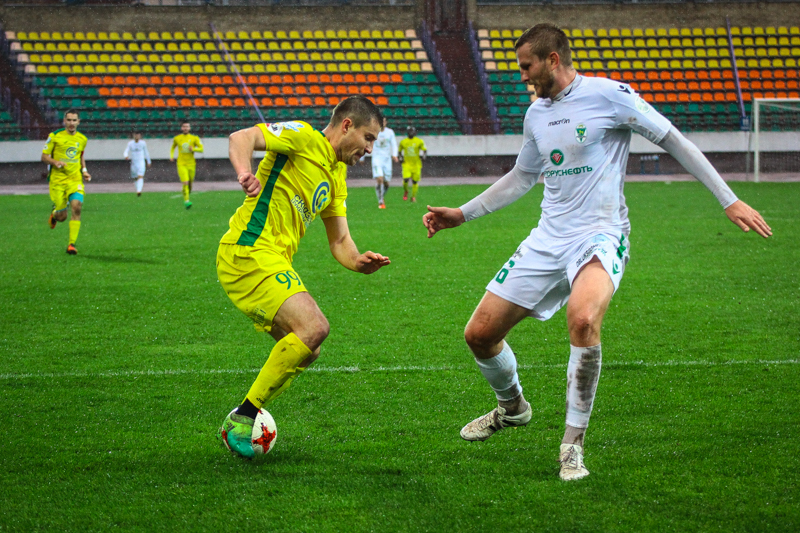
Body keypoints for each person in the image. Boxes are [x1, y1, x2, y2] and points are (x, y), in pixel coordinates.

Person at [422, 23, 771, 482]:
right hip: (548, 238)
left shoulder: (610, 95)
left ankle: (572, 446)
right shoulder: (536, 114)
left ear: (552, 59)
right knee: (479, 335)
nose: (522, 76)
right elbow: (523, 176)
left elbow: (672, 139)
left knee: (583, 319)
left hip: (601, 233)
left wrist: (729, 199)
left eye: (527, 66)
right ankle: (512, 408)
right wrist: (462, 214)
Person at [216, 96, 391, 459]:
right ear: (347, 126)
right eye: (369, 138)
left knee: (310, 349)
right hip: (249, 249)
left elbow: (340, 240)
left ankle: (245, 414)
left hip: (270, 259)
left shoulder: (336, 176)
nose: (370, 149)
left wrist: (358, 261)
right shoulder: (303, 137)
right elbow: (241, 137)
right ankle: (244, 417)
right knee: (314, 327)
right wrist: (244, 173)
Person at [43, 109, 91, 255]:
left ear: (78, 122)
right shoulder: (54, 136)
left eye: (74, 120)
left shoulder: (82, 139)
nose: (71, 123)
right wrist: (55, 162)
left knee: (77, 207)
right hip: (58, 181)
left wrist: (84, 171)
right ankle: (55, 213)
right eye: (69, 120)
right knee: (62, 217)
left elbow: (80, 156)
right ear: (64, 121)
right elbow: (44, 156)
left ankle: (71, 244)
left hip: (75, 179)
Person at [170, 121, 204, 209]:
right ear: (181, 128)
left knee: (190, 184)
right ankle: (187, 201)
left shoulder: (194, 138)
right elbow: (173, 147)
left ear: (189, 128)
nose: (185, 128)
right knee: (185, 182)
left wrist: (194, 149)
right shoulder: (177, 138)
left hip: (191, 164)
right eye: (184, 126)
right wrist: (171, 156)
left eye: (187, 126)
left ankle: (185, 192)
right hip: (181, 163)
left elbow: (201, 149)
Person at [371, 116, 398, 209]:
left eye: (384, 121)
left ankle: (381, 196)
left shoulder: (390, 132)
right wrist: (362, 157)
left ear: (386, 122)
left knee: (386, 183)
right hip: (376, 158)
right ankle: (380, 201)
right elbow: (367, 143)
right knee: (380, 178)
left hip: (387, 160)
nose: (382, 123)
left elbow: (394, 144)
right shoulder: (373, 131)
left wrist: (394, 154)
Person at [398, 126, 427, 203]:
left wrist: (424, 156)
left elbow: (424, 150)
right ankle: (406, 190)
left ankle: (413, 197)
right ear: (407, 132)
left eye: (412, 131)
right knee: (406, 179)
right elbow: (399, 151)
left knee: (415, 181)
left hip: (416, 164)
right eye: (409, 131)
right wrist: (400, 158)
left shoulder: (419, 141)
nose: (411, 132)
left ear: (415, 132)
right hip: (406, 164)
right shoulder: (403, 142)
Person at [124, 130, 152, 197]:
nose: (137, 136)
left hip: (141, 162)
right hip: (134, 163)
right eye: (135, 135)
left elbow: (146, 152)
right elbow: (126, 151)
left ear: (140, 136)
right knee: (135, 178)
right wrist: (126, 155)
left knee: (140, 176)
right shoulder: (130, 143)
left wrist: (149, 161)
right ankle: (138, 190)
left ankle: (139, 191)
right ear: (133, 136)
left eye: (138, 135)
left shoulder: (143, 143)